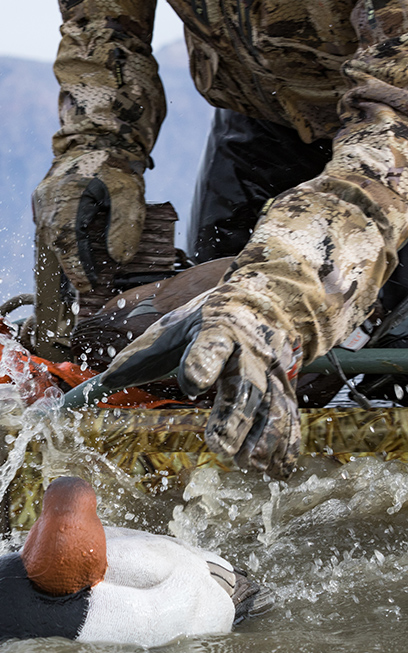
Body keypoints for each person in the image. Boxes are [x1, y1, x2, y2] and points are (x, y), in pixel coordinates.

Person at [33, 1, 408, 478]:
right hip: (263, 111)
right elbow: (103, 20)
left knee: (339, 356)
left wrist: (272, 303)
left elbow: (391, 150)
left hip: (392, 135)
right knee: (210, 370)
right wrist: (96, 148)